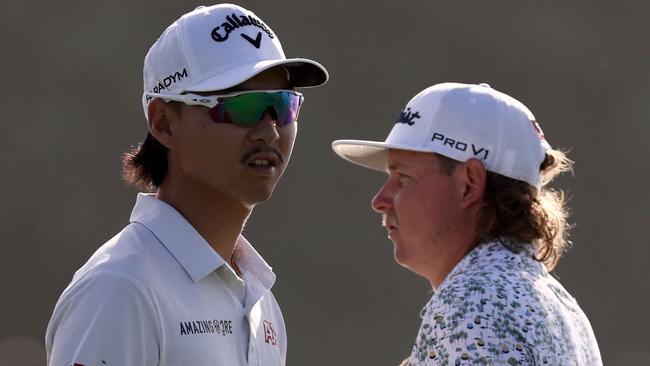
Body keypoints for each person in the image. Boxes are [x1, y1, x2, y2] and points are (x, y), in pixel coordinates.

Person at [45, 4, 327, 365]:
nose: (269, 130)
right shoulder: (119, 288)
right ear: (164, 123)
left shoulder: (260, 300)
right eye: (241, 106)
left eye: (282, 105)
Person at [332, 83, 602, 365]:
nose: (380, 200)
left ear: (469, 184)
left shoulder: (475, 302)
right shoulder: (563, 308)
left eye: (403, 177)